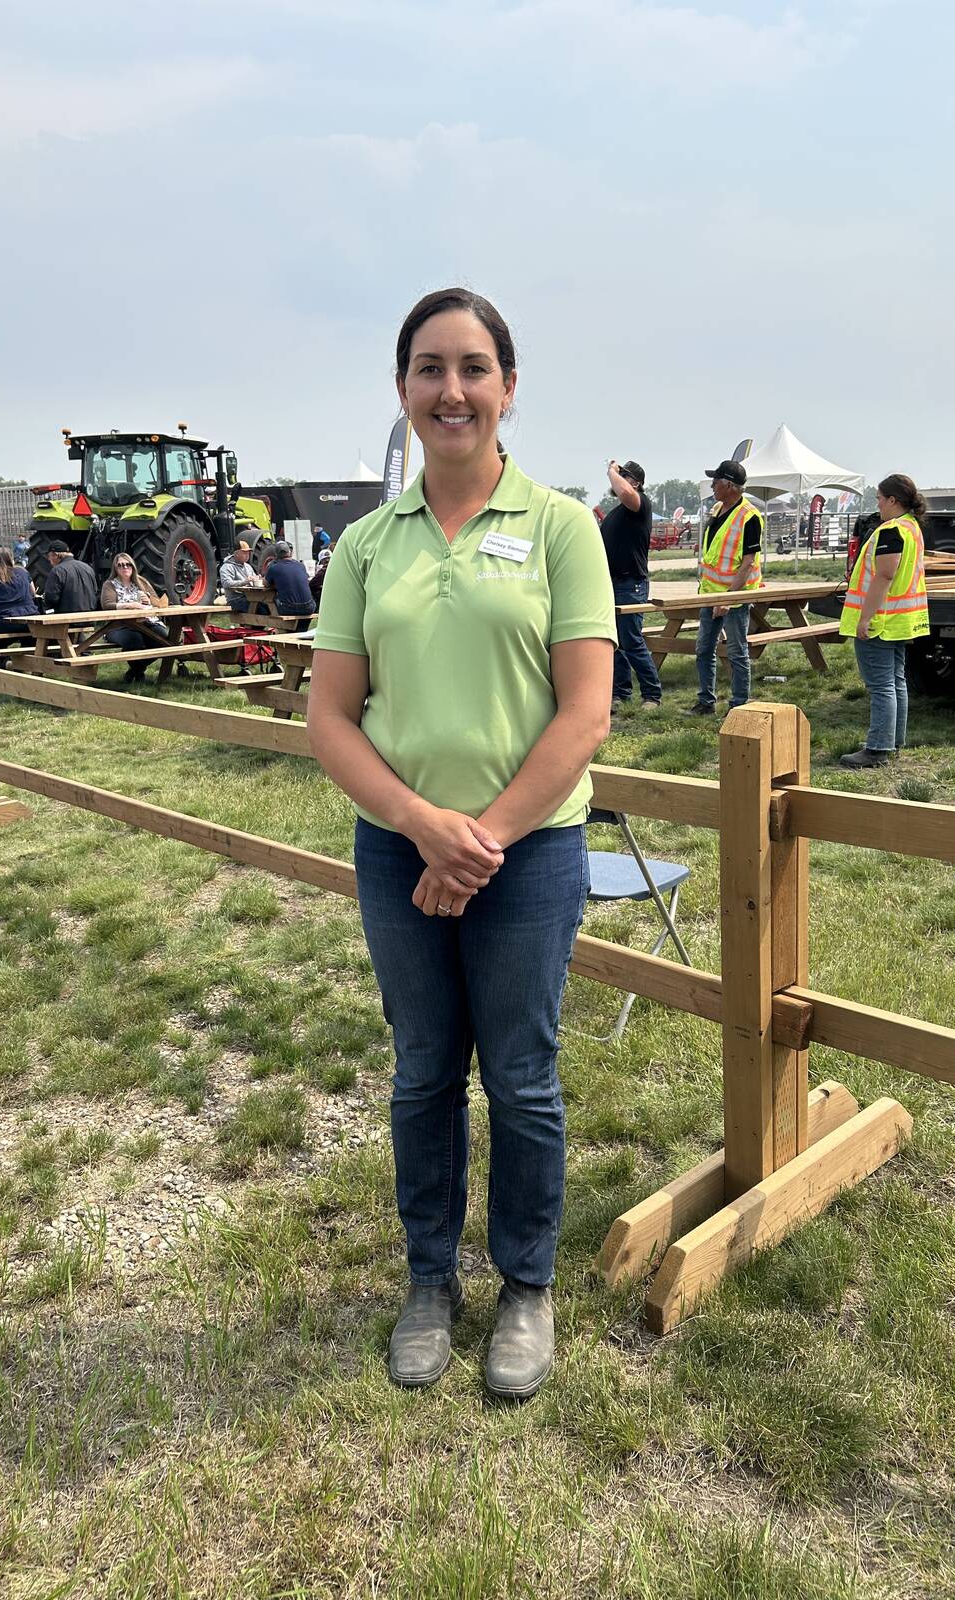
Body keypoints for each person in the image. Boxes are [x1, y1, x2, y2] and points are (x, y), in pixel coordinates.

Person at [308, 286, 615, 1402]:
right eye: (431, 369)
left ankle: (526, 1287)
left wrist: (478, 838)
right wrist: (423, 827)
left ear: (509, 389)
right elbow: (330, 715)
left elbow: (584, 714)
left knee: (523, 1077)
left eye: (475, 367)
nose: (453, 389)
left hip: (527, 854)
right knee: (425, 1071)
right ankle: (429, 1281)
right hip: (399, 850)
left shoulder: (560, 527)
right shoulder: (365, 546)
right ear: (402, 392)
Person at [838, 473, 929, 768]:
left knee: (881, 686)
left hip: (882, 620)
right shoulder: (911, 528)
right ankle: (892, 740)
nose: (876, 504)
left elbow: (885, 575)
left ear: (892, 500)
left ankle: (877, 748)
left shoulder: (891, 531)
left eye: (878, 498)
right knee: (895, 681)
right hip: (899, 619)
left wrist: (865, 618)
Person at [688, 458, 764, 715]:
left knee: (736, 651)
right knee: (704, 649)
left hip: (735, 597)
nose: (712, 485)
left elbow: (748, 562)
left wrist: (729, 599)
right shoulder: (717, 509)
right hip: (710, 594)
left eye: (716, 481)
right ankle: (705, 701)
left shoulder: (750, 517)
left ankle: (739, 704)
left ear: (730, 485)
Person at [601, 457, 662, 712]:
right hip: (613, 583)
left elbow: (625, 491)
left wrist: (611, 471)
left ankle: (652, 694)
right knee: (616, 642)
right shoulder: (618, 512)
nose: (618, 480)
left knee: (632, 640)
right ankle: (620, 693)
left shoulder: (640, 504)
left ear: (636, 483)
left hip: (630, 583)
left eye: (624, 476)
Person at [99, 553, 169, 683]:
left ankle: (135, 670)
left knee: (164, 639)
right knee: (134, 641)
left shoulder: (141, 581)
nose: (125, 567)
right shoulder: (109, 585)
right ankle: (138, 673)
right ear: (115, 568)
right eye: (120, 565)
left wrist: (148, 599)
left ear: (133, 566)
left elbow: (157, 602)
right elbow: (107, 605)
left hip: (147, 622)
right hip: (119, 625)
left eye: (128, 564)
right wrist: (128, 605)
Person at [261, 540, 316, 628]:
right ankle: (299, 630)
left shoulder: (274, 567)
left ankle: (283, 629)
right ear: (289, 552)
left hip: (289, 609)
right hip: (309, 608)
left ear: (276, 555)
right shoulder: (301, 565)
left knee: (268, 601)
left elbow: (266, 584)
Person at [42, 539, 98, 612]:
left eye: (49, 556)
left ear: (56, 555)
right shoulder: (87, 567)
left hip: (67, 617)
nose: (49, 560)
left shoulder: (57, 570)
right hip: (89, 615)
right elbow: (95, 591)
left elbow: (52, 597)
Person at [219, 540, 265, 615]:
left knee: (266, 606)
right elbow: (226, 583)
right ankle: (250, 626)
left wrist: (258, 579)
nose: (247, 555)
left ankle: (251, 626)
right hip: (235, 600)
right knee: (261, 609)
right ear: (236, 553)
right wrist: (244, 581)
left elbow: (253, 579)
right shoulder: (227, 567)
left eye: (248, 552)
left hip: (250, 598)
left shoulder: (248, 566)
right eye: (244, 553)